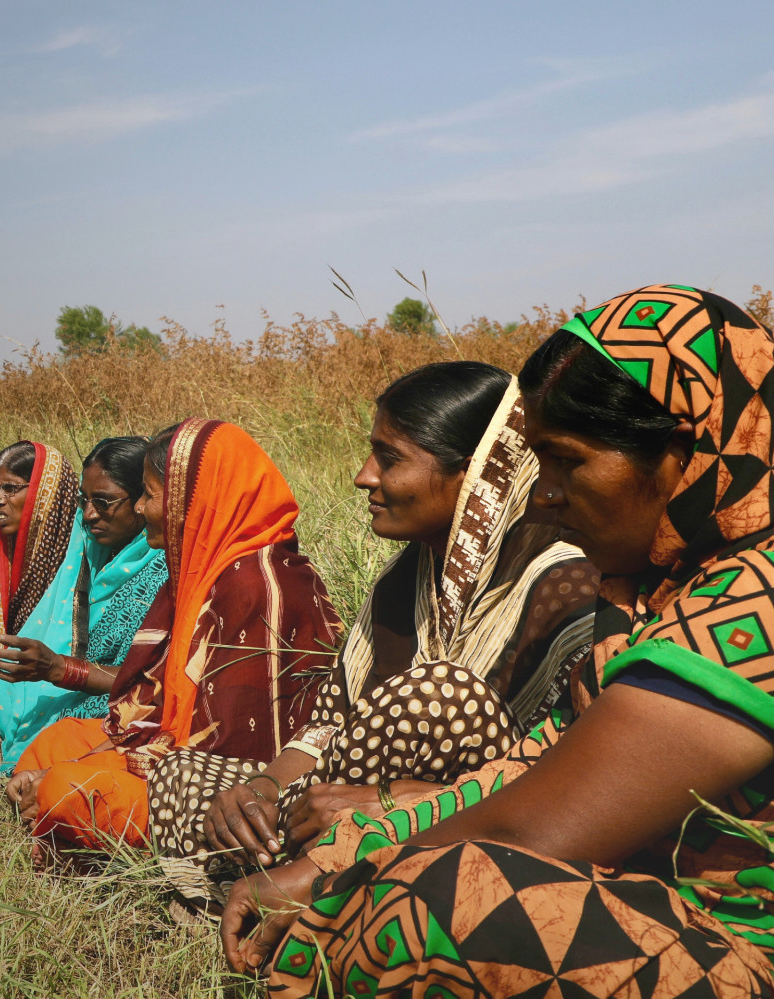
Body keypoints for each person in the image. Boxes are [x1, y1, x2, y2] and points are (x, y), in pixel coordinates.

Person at [222, 286, 774, 996]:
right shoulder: (652, 595)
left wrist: (346, 874)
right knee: (372, 846)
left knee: (441, 898)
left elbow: (544, 825)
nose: (541, 494)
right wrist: (345, 847)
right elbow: (529, 767)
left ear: (680, 455)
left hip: (743, 947)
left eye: (566, 461)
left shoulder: (753, 601)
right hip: (656, 905)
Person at [147, 362, 597, 911]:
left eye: (390, 458)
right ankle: (300, 881)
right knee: (179, 771)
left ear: (479, 473)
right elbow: (328, 728)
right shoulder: (406, 578)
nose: (364, 476)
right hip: (334, 804)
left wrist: (388, 804)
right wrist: (261, 792)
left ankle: (314, 887)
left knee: (440, 697)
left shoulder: (565, 586)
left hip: (486, 825)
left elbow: (575, 783)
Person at [6, 420, 342, 855]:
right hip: (168, 749)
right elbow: (159, 706)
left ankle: (63, 825)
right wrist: (87, 756)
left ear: (194, 498)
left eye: (149, 493)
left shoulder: (256, 586)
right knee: (56, 742)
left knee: (66, 788)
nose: (143, 508)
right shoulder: (195, 569)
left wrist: (82, 768)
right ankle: (61, 821)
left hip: (220, 784)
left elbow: (224, 751)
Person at [0, 439, 170, 782]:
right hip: (57, 686)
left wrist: (61, 670)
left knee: (108, 715)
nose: (89, 515)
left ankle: (32, 766)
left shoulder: (163, 570)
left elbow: (152, 683)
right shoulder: (83, 550)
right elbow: (46, 640)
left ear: (142, 501)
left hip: (110, 700)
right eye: (83, 501)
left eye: (103, 502)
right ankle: (8, 744)